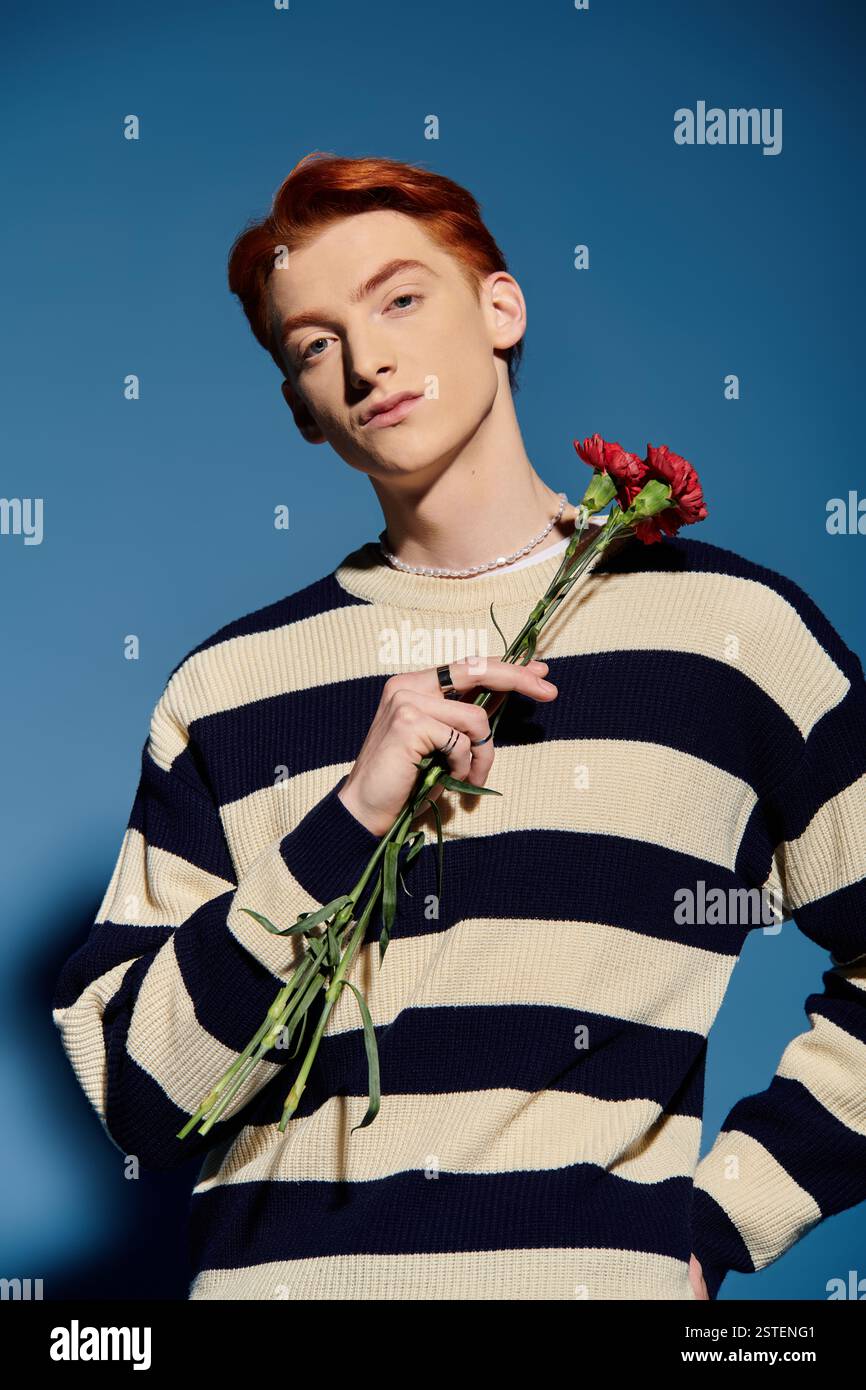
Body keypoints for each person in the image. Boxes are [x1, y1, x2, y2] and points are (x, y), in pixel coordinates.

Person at [52, 152, 866, 1301]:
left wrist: (718, 1223)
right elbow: (140, 1092)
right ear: (302, 411)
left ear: (500, 306)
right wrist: (346, 819)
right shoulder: (225, 690)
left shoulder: (729, 637)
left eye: (398, 297)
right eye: (314, 344)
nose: (367, 358)